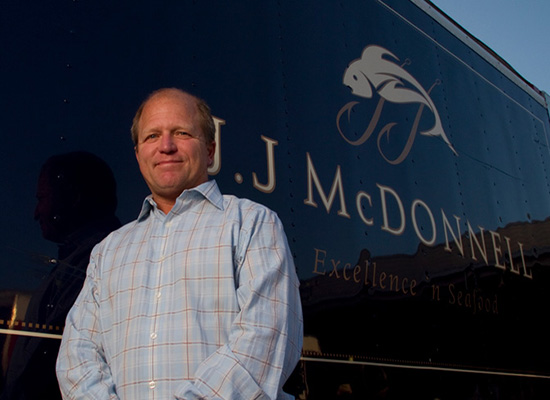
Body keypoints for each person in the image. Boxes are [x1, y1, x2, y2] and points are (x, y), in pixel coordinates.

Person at [56, 88, 303, 399]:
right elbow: (78, 354)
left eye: (182, 133)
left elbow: (263, 343)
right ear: (138, 154)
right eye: (151, 136)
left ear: (210, 150)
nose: (166, 146)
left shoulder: (252, 224)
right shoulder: (108, 251)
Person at [1, 151, 121, 400]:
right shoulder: (71, 264)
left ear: (74, 198)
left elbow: (44, 359)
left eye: (42, 198)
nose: (36, 213)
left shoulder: (101, 262)